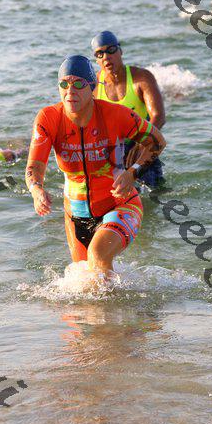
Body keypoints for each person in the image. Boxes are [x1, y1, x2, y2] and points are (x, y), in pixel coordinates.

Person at [25, 55, 166, 278]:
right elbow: (34, 165)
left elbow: (157, 142)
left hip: (120, 204)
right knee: (85, 281)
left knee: (98, 256)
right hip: (75, 216)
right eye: (64, 84)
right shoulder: (48, 118)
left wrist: (133, 173)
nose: (70, 91)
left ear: (92, 87)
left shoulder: (115, 114)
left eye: (78, 84)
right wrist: (36, 190)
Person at [91, 30, 166, 190]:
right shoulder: (94, 85)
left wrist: (142, 144)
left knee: (154, 193)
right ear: (96, 59)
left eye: (111, 50)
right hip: (111, 149)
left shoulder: (142, 78)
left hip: (141, 145)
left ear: (120, 51)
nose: (106, 57)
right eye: (100, 54)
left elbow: (158, 116)